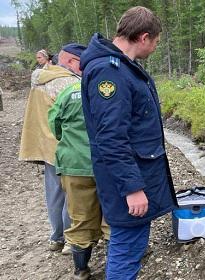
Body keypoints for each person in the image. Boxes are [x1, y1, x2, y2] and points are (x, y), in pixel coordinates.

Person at [80, 6, 177, 279]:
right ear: (144, 37)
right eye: (156, 42)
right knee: (126, 247)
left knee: (131, 246)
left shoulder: (121, 67)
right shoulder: (109, 73)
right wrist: (132, 188)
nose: (156, 48)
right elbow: (110, 138)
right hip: (127, 181)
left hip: (135, 173)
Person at [48, 43, 111, 280]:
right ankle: (117, 265)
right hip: (106, 163)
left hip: (75, 166)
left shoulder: (67, 92)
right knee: (112, 216)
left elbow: (55, 126)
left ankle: (81, 270)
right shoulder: (106, 87)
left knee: (80, 217)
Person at [19, 48, 77, 256]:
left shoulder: (40, 79)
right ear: (71, 61)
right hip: (66, 146)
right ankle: (72, 239)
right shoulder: (68, 83)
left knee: (53, 194)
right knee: (72, 195)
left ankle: (56, 237)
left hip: (44, 145)